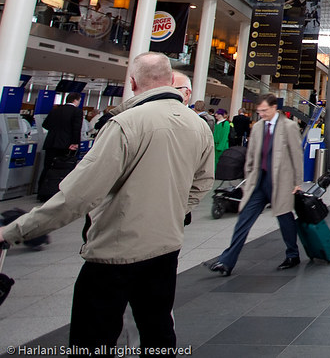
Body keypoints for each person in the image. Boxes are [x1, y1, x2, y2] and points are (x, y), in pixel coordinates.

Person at [1, 52, 214, 351]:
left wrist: (14, 231)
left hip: (115, 251)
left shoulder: (125, 124)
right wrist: (172, 211)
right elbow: (203, 182)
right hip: (166, 248)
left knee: (93, 339)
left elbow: (78, 195)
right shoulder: (198, 125)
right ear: (170, 80)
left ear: (133, 82)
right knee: (158, 331)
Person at [206, 94, 305, 275]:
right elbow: (251, 153)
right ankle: (226, 261)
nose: (261, 114)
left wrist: (297, 182)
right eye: (259, 111)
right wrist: (250, 173)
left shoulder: (289, 127)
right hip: (259, 182)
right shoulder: (258, 127)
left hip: (280, 182)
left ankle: (293, 254)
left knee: (285, 219)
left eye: (265, 110)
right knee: (244, 220)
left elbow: (296, 155)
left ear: (275, 108)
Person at [38, 91, 83, 199]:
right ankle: (56, 192)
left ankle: (42, 192)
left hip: (51, 143)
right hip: (65, 145)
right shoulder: (77, 112)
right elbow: (76, 129)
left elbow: (45, 124)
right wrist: (75, 143)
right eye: (79, 101)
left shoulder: (55, 110)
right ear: (75, 100)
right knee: (62, 168)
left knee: (47, 167)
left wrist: (55, 132)